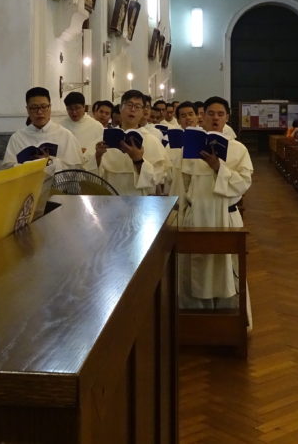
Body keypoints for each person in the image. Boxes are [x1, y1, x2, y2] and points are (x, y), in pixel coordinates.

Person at [179, 97, 254, 318]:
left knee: (228, 270)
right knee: (194, 269)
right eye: (211, 113)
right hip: (196, 216)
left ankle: (230, 321)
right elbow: (183, 184)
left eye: (220, 114)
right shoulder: (190, 148)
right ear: (203, 117)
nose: (215, 118)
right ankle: (193, 321)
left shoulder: (238, 149)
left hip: (225, 217)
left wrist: (218, 167)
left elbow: (243, 183)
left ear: (227, 118)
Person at [95, 90, 169, 196]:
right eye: (129, 105)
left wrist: (138, 160)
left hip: (139, 201)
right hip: (110, 198)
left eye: (138, 106)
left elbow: (156, 179)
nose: (133, 109)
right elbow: (92, 176)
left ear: (143, 112)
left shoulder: (151, 140)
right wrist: (98, 156)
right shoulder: (103, 138)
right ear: (120, 108)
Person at [4, 87, 84, 174]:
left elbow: (76, 170)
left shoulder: (66, 136)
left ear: (50, 107)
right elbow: (8, 168)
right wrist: (31, 166)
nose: (39, 112)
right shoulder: (17, 138)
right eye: (34, 108)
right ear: (27, 109)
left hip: (57, 187)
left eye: (43, 106)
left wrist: (50, 162)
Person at [61, 91, 106, 171]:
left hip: (89, 172)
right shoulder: (61, 126)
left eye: (77, 108)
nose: (74, 112)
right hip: (66, 172)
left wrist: (86, 153)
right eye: (70, 109)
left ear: (84, 107)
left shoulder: (96, 126)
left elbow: (103, 152)